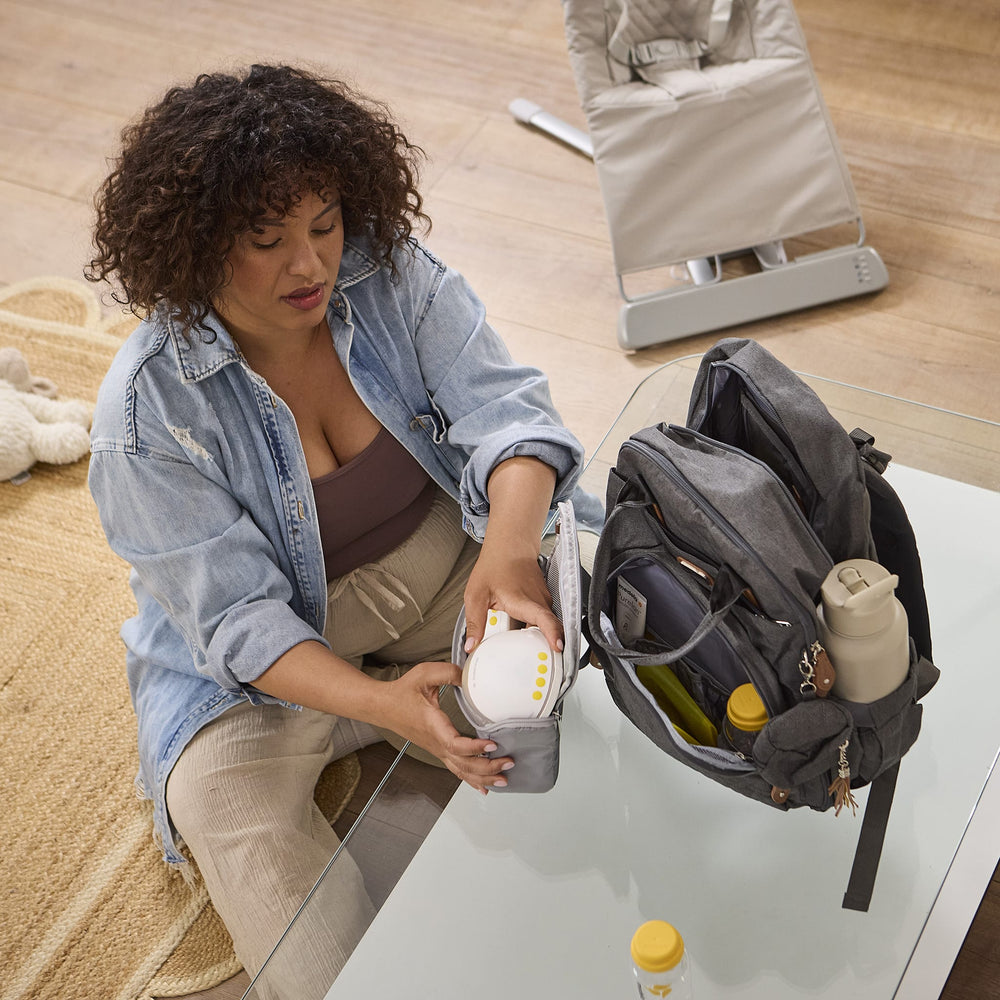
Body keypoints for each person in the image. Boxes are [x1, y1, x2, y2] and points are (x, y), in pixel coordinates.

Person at [86, 64, 603, 996]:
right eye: (267, 241)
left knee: (608, 638)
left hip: (451, 577)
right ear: (195, 248)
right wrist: (379, 702)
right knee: (220, 800)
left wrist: (509, 550)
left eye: (323, 225)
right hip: (280, 666)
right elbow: (240, 622)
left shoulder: (387, 272)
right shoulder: (143, 416)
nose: (311, 265)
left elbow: (509, 414)